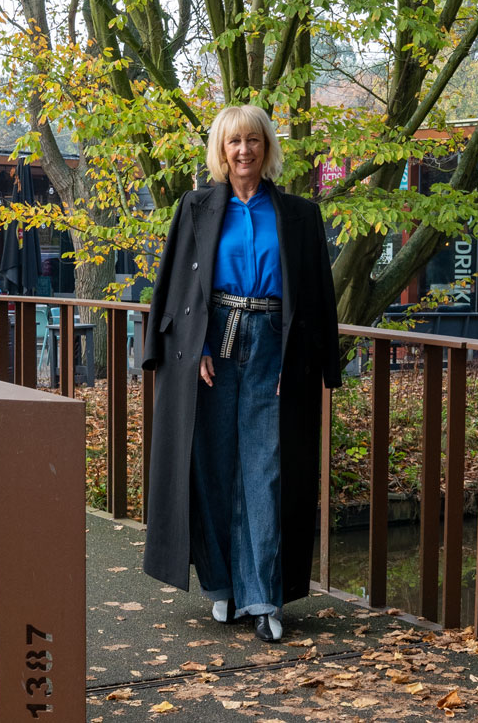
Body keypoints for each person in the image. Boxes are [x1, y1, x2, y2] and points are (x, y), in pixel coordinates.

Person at [142, 104, 341, 642]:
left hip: (274, 344)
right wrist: (197, 345)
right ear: (221, 150)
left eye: (253, 140)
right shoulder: (195, 207)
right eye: (234, 141)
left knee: (265, 470)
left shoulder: (299, 214)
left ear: (267, 147)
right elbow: (177, 286)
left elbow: (318, 294)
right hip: (213, 346)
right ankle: (223, 586)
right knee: (212, 464)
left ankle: (263, 598)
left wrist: (316, 363)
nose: (244, 150)